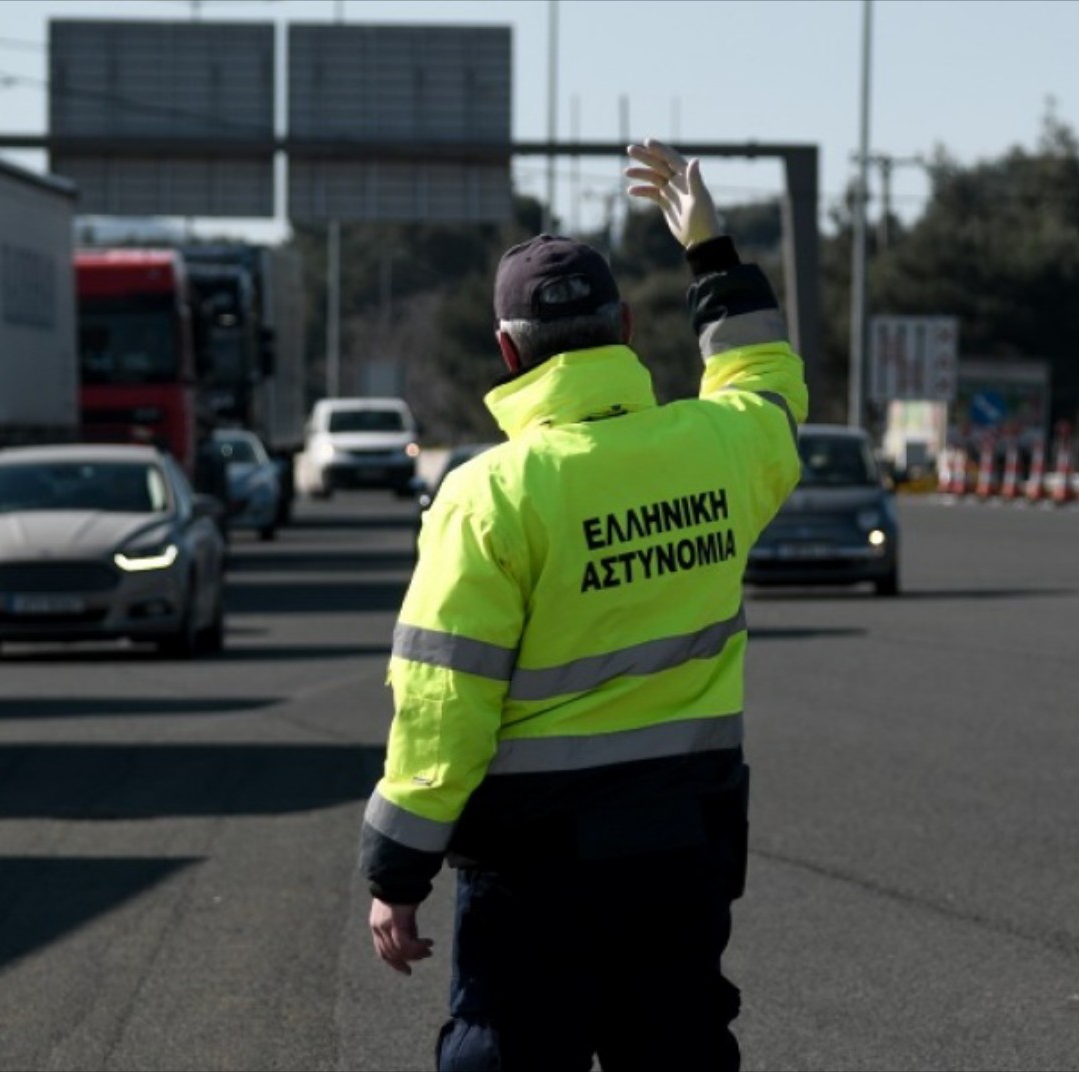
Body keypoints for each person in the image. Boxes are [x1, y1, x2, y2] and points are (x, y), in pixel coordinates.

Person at [358, 138, 809, 1070]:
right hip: (683, 845)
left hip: (533, 866)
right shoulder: (715, 449)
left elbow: (444, 701)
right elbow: (766, 381)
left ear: (507, 350)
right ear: (628, 327)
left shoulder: (489, 494)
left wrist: (397, 869)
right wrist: (711, 252)